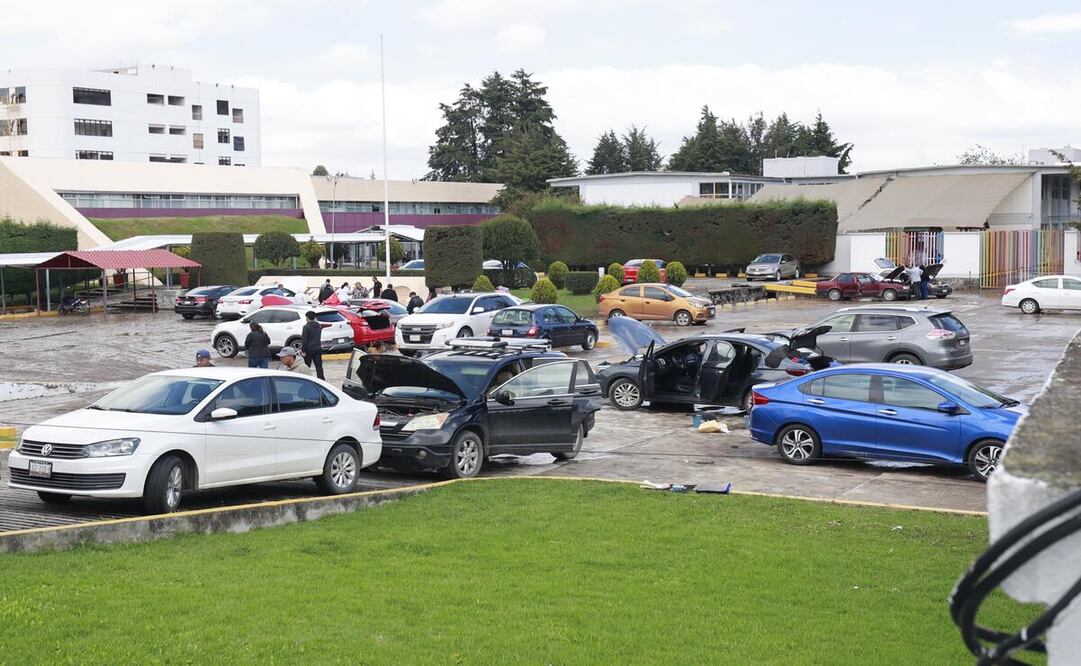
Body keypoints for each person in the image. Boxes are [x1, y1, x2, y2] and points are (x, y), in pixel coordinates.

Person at [301, 310, 325, 380]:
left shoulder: (306, 327)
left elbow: (304, 340)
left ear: (307, 317)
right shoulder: (319, 326)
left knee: (307, 366)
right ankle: (321, 380)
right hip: (318, 348)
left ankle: (306, 379)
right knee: (319, 366)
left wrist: (303, 350)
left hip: (309, 350)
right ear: (314, 317)